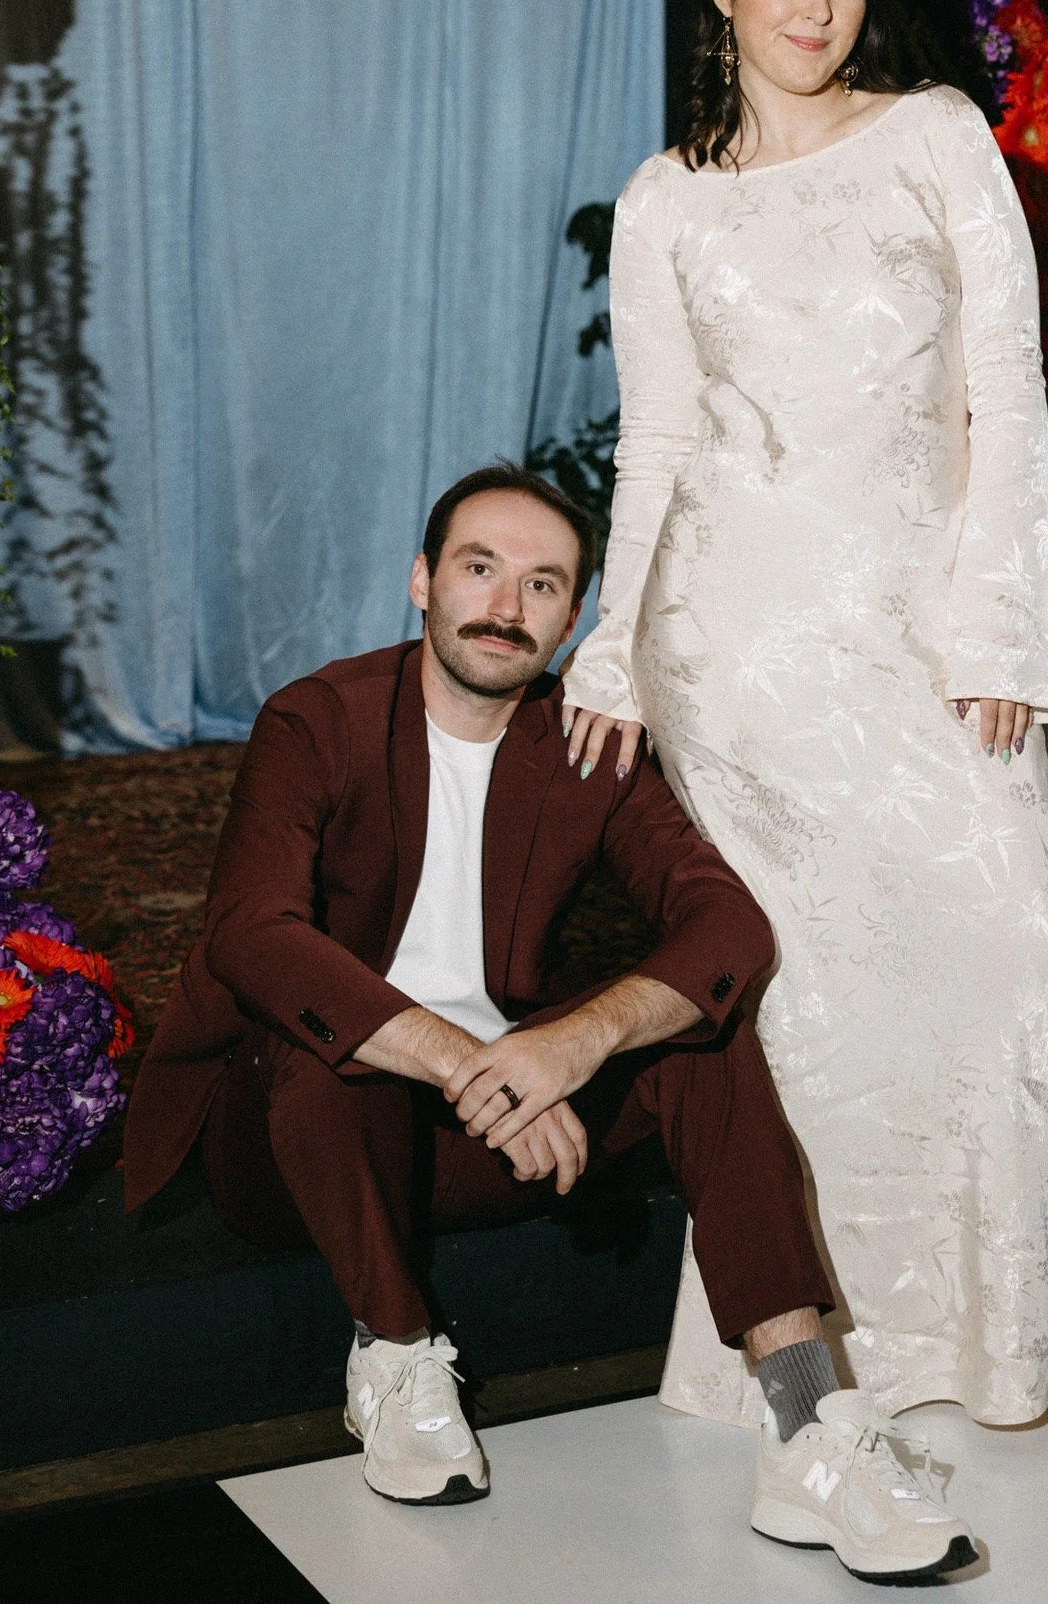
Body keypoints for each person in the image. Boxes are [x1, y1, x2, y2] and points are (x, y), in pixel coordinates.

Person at [123, 464, 980, 1585]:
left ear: (571, 618)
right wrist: (468, 1059)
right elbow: (249, 933)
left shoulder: (583, 744)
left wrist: (569, 1046)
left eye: (542, 585)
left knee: (699, 1038)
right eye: (478, 569)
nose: (504, 606)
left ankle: (807, 1431)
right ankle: (394, 1358)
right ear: (421, 582)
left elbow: (727, 928)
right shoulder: (316, 720)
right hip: (301, 1150)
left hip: (490, 1136)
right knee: (320, 1036)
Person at [560, 0, 1048, 1430]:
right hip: (741, 645)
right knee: (815, 998)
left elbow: (1009, 392)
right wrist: (616, 651)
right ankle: (815, 1334)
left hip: (928, 623)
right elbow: (660, 439)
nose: (817, 7)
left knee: (1028, 943)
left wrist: (1009, 625)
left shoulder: (937, 136)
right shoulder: (665, 199)